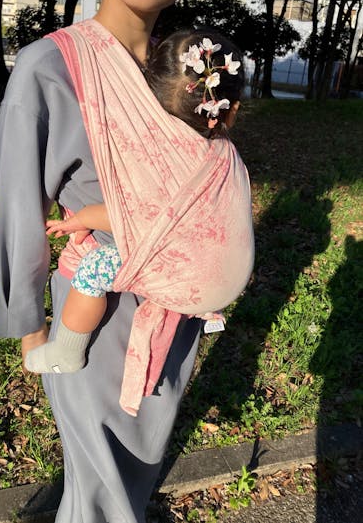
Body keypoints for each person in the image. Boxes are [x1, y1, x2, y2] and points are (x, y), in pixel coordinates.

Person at [0, 0, 254, 522]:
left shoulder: (187, 72)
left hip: (174, 319)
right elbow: (20, 201)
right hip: (96, 318)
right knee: (100, 492)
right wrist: (30, 324)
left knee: (132, 475)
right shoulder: (50, 66)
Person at [24, 29, 244, 376]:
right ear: (230, 113)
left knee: (93, 270)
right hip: (224, 277)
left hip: (180, 276)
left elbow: (127, 216)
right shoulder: (226, 156)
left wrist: (82, 218)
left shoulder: (159, 157)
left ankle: (67, 350)